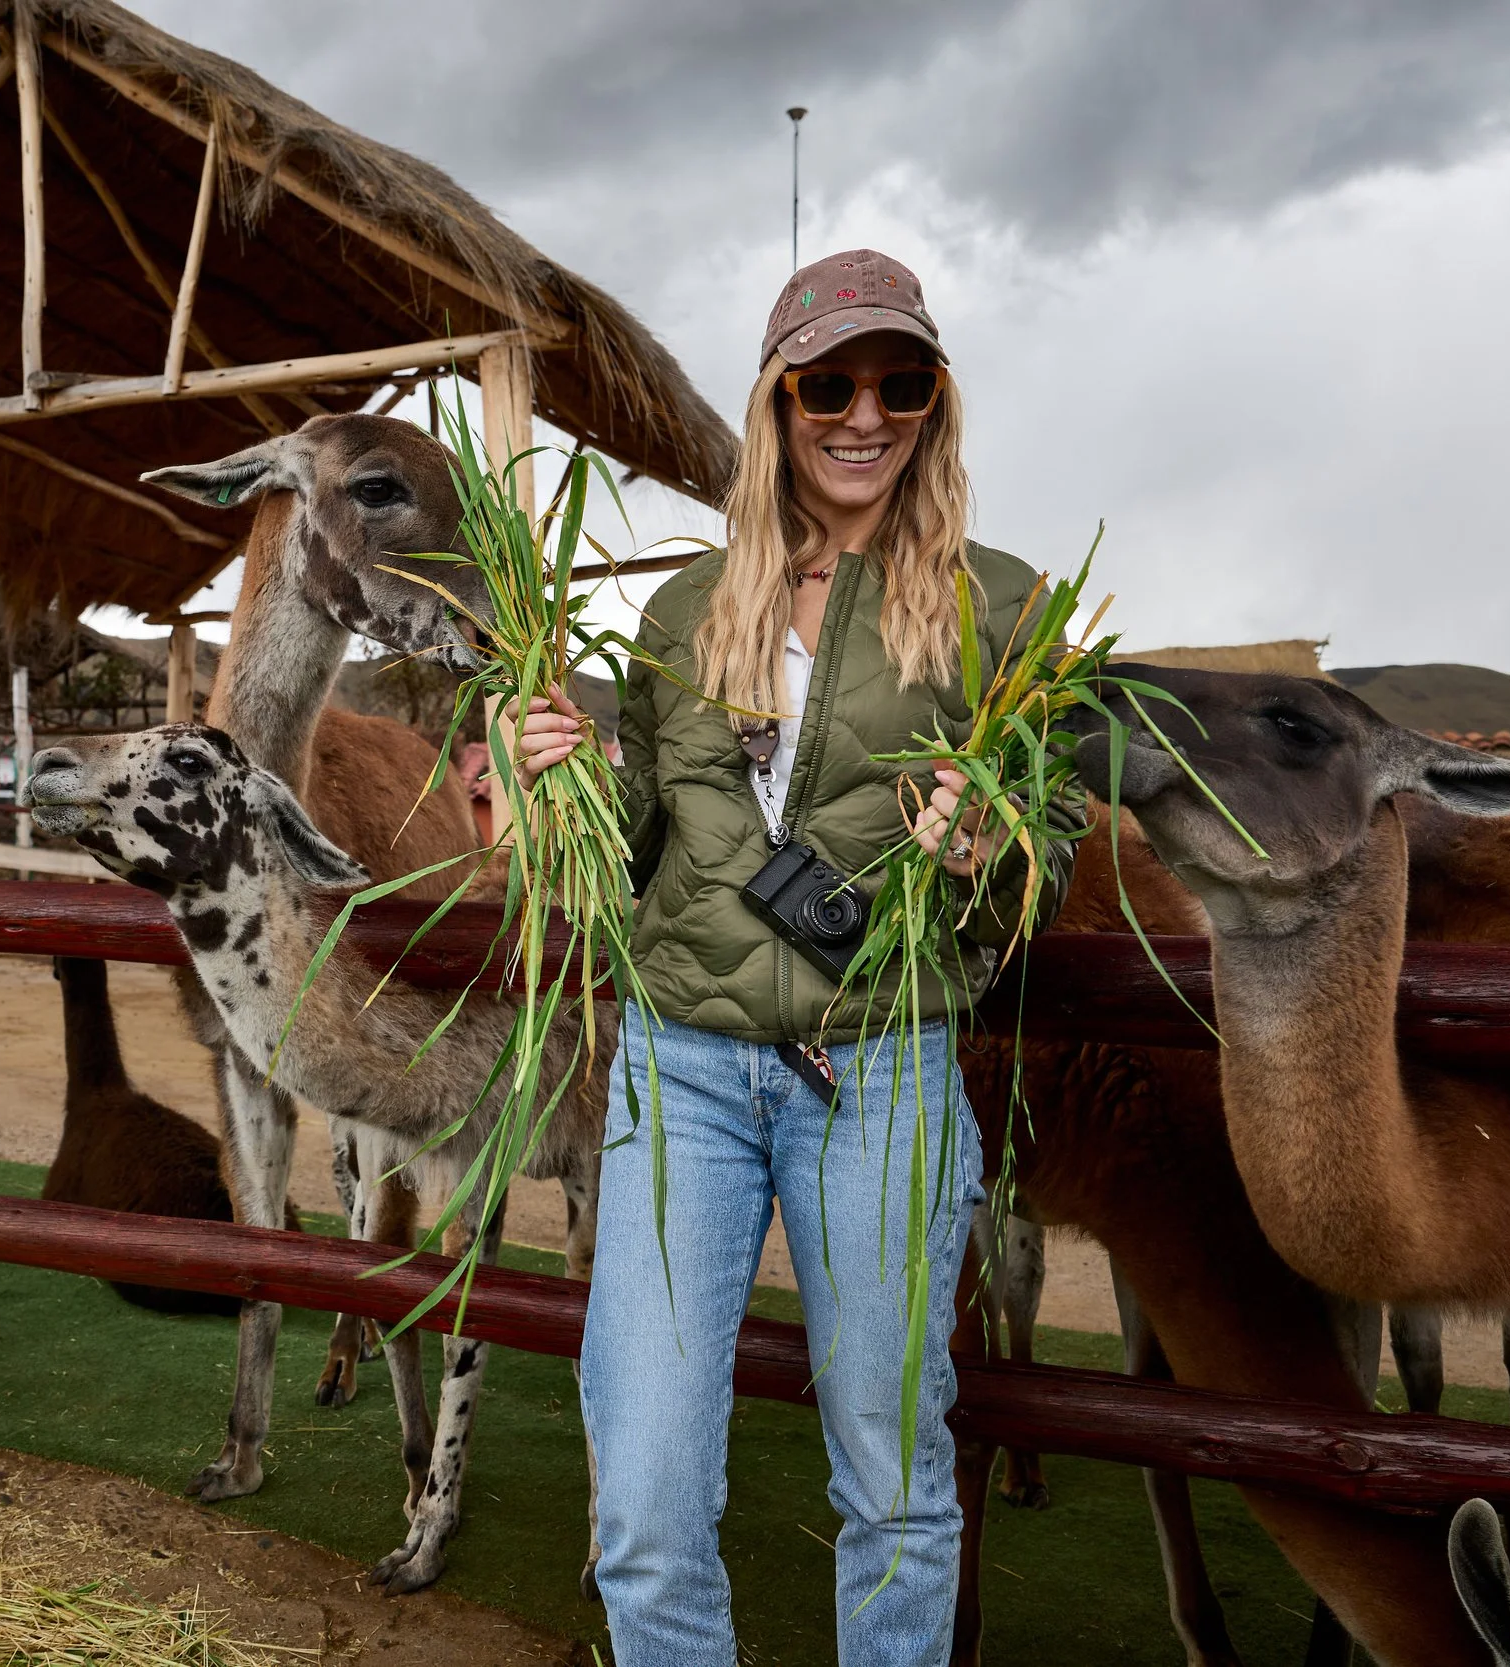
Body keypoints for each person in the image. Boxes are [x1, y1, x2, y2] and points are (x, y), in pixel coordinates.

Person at [518, 250, 1075, 1666]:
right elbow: (625, 873)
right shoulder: (677, 617)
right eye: (828, 382)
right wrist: (557, 792)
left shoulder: (994, 606)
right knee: (642, 1495)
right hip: (680, 1070)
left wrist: (988, 841)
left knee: (893, 1487)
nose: (862, 412)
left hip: (884, 1076)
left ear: (935, 402)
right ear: (778, 401)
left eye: (900, 381)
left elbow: (1047, 861)